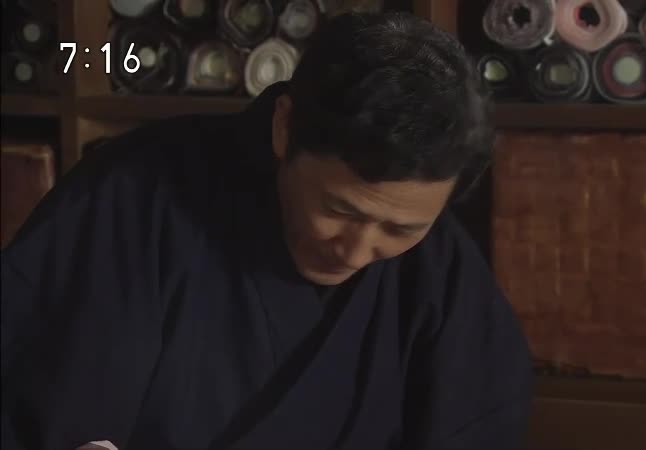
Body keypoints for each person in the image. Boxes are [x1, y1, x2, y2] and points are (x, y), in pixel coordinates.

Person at [1, 12, 533, 450]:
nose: (356, 250)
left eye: (400, 228)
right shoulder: (130, 198)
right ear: (284, 127)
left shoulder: (440, 270)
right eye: (339, 209)